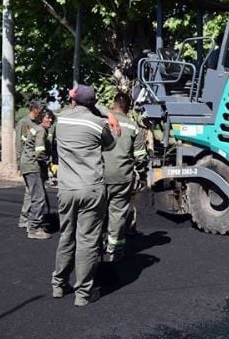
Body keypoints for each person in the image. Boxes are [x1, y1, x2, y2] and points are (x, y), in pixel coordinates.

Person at [51, 84, 118, 307]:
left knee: (66, 236)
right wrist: (104, 111)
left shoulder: (60, 120)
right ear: (92, 103)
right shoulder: (98, 124)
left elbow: (74, 104)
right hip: (91, 188)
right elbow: (110, 144)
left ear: (73, 99)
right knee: (87, 241)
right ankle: (82, 294)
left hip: (67, 189)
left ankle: (59, 285)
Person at [102, 92, 148, 262]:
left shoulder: (101, 122)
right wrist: (140, 173)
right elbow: (141, 157)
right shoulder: (133, 126)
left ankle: (97, 245)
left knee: (97, 212)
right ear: (128, 107)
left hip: (99, 176)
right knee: (118, 214)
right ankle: (115, 250)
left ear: (113, 105)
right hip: (122, 177)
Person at [20, 109, 55, 240]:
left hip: (27, 164)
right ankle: (34, 229)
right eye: (47, 118)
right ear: (41, 118)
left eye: (51, 118)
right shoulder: (41, 130)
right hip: (33, 166)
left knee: (31, 194)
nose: (50, 120)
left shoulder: (35, 128)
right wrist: (47, 162)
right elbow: (40, 151)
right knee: (38, 198)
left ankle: (27, 222)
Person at [17, 100, 45, 229]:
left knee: (30, 192)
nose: (42, 111)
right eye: (40, 109)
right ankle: (25, 219)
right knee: (31, 193)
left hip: (35, 162)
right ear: (34, 109)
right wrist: (19, 161)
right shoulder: (24, 122)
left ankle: (26, 218)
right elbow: (19, 143)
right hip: (28, 161)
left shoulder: (36, 124)